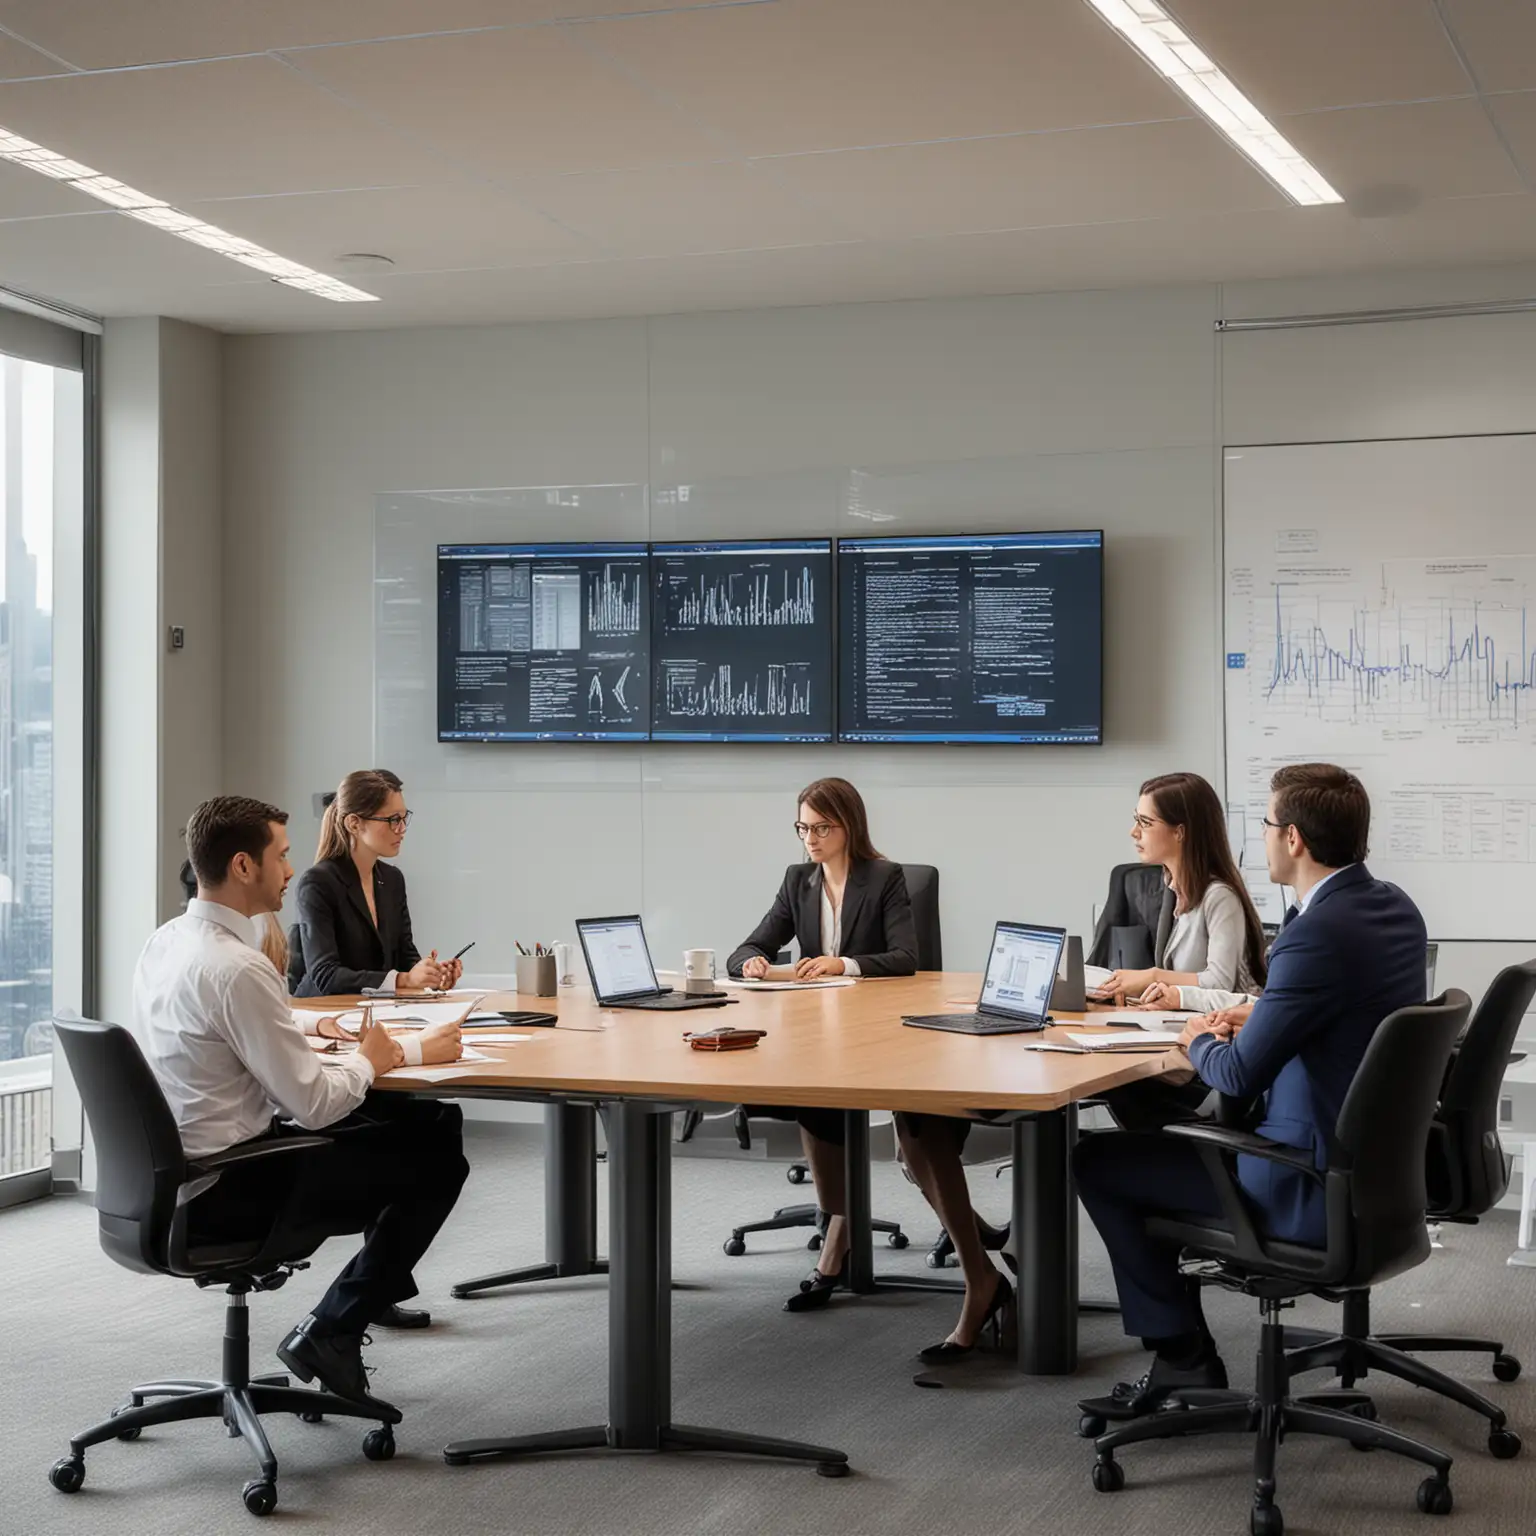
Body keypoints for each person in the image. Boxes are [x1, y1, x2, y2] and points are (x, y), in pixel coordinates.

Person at [1073, 764, 1428, 1422]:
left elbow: (1235, 1076)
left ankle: (1184, 1360)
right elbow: (1337, 1015)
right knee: (1143, 1150)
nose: (1260, 839)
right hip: (1378, 1182)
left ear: (1293, 839)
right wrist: (1257, 1017)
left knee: (1099, 1163)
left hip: (1301, 1187)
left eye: (1266, 825)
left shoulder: (1312, 934)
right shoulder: (1392, 908)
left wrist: (1198, 1038)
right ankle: (1183, 1355)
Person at [133, 796, 471, 1406]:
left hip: (176, 1180)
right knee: (439, 1158)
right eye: (281, 856)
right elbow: (314, 1106)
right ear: (243, 866)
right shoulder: (238, 967)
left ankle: (346, 1316)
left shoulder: (169, 942)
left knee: (425, 1122)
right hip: (239, 1187)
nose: (291, 871)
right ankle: (332, 1327)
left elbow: (232, 1037)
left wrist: (315, 1034)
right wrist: (375, 1057)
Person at [726, 777, 918, 1312]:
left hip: (875, 1029)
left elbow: (906, 957)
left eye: (820, 828)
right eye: (802, 828)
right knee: (808, 1091)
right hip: (817, 1031)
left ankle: (837, 1234)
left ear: (847, 826)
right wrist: (753, 963)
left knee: (823, 1095)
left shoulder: (884, 878)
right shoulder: (799, 881)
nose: (809, 838)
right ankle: (841, 1217)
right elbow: (748, 945)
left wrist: (844, 963)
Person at [290, 770, 463, 998]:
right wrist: (405, 979)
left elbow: (404, 956)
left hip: (378, 1012)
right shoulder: (318, 883)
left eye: (403, 818)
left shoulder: (392, 880)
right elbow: (325, 975)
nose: (401, 829)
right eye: (392, 820)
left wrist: (432, 975)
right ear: (354, 823)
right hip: (326, 1013)